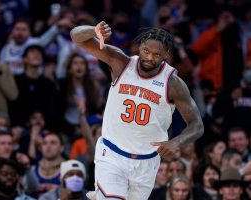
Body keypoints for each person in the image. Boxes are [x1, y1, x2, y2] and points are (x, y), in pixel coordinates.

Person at [70, 21, 204, 200]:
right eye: (146, 51)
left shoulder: (173, 84)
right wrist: (92, 30)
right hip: (112, 155)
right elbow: (76, 36)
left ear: (167, 55)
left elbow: (197, 125)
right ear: (139, 46)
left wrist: (177, 141)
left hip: (146, 162)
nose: (149, 57)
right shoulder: (120, 62)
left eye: (157, 54)